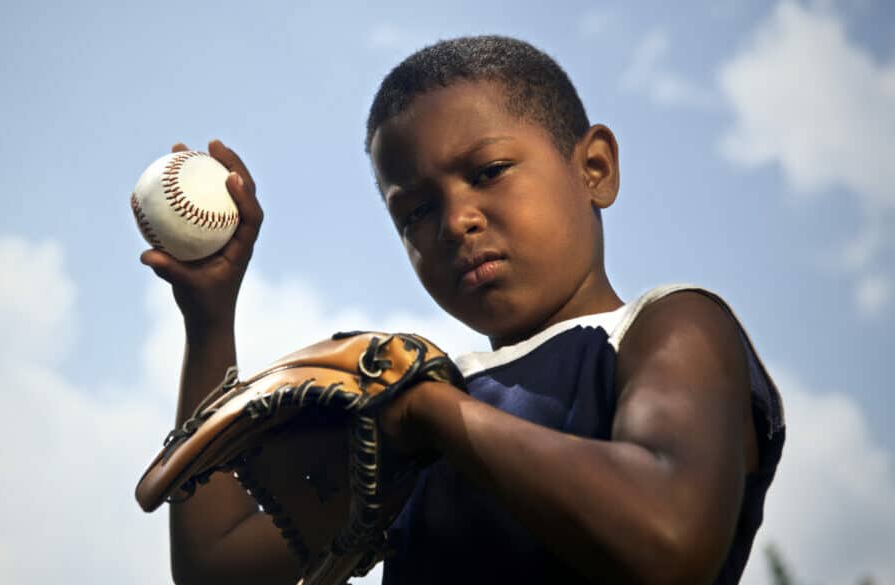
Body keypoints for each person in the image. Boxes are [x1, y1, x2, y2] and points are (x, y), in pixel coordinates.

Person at [139, 35, 785, 585]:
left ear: (594, 167)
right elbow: (216, 565)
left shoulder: (665, 325)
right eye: (415, 211)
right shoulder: (407, 405)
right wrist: (209, 320)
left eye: (489, 170)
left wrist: (430, 411)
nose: (456, 221)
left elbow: (669, 537)